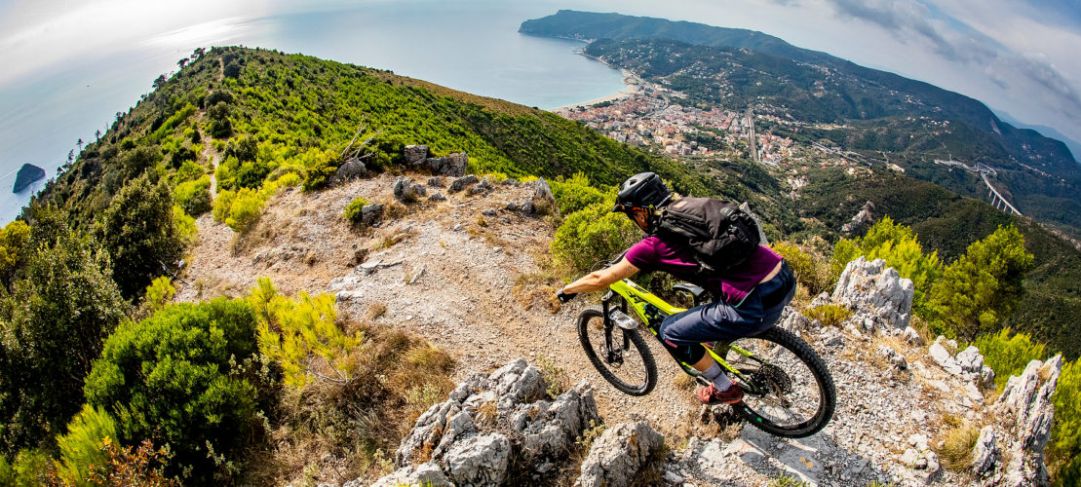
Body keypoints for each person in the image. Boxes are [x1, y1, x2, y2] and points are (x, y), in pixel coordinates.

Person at [556, 172, 796, 405]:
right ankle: (712, 346)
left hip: (754, 306)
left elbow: (600, 278)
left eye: (632, 215)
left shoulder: (652, 246)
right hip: (783, 277)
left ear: (640, 212)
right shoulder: (688, 208)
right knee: (704, 311)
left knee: (671, 332)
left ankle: (725, 388)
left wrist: (567, 290)